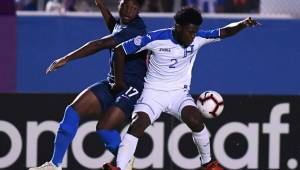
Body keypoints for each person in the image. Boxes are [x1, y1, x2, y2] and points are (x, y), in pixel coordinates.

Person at [101, 7, 260, 170]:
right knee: (138, 124)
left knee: (195, 119)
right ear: (178, 27)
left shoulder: (198, 37)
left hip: (178, 93)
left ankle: (208, 163)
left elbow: (224, 32)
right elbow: (120, 50)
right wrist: (118, 81)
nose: (193, 37)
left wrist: (242, 24)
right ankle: (118, 167)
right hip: (153, 93)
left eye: (195, 32)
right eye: (190, 32)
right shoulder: (155, 38)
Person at [28, 0, 146, 170]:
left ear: (139, 10)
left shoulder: (137, 29)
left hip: (131, 87)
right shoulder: (124, 23)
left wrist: (66, 58)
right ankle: (54, 165)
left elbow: (99, 44)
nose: (129, 10)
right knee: (73, 110)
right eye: (125, 5)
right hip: (113, 82)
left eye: (134, 7)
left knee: (104, 129)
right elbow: (115, 27)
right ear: (119, 5)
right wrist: (101, 6)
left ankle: (126, 160)